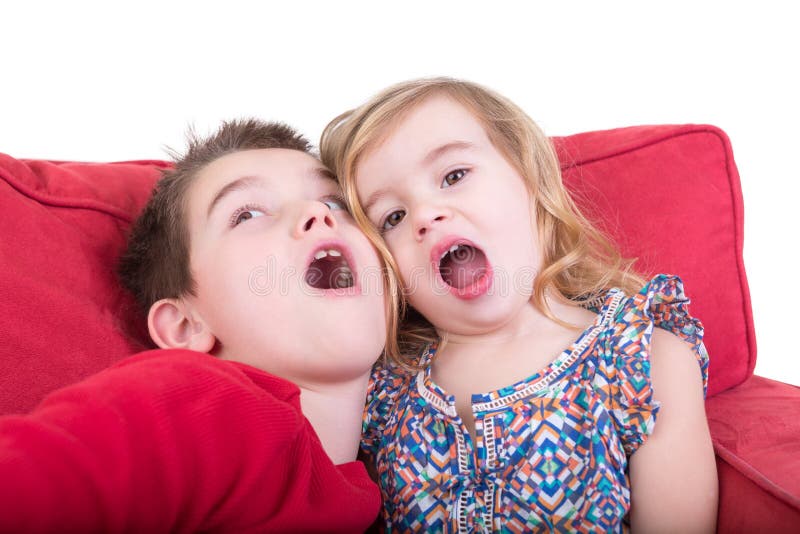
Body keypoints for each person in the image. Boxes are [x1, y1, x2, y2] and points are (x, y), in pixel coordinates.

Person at [320, 78, 718, 533]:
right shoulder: (383, 387)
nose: (425, 214)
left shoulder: (641, 358)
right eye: (393, 217)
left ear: (530, 179)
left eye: (453, 176)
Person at [0, 118, 398, 533]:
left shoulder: (389, 475)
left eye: (335, 202)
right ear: (186, 325)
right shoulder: (209, 403)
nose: (316, 212)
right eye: (246, 214)